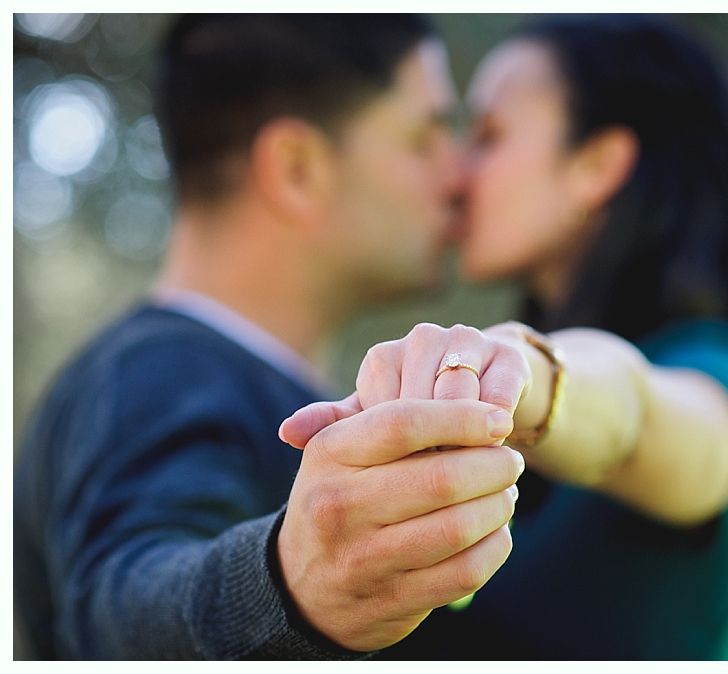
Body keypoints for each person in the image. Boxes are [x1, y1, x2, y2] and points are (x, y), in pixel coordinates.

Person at [280, 14, 728, 659]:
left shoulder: (726, 377)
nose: (456, 173)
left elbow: (632, 413)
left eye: (488, 135)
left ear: (596, 166)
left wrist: (520, 368)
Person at [13, 14, 529, 659]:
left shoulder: (230, 373)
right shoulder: (153, 375)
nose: (458, 176)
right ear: (297, 169)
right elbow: (122, 603)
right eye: (425, 136)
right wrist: (288, 581)